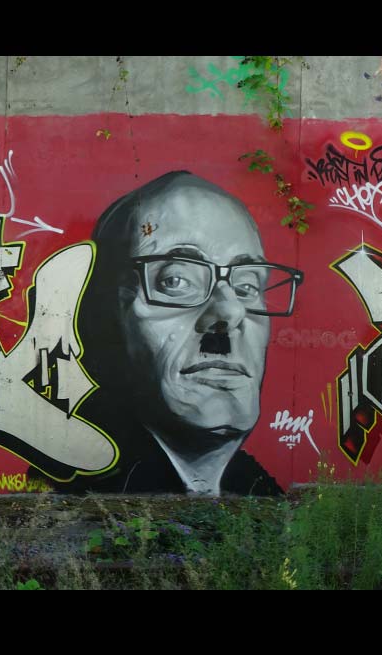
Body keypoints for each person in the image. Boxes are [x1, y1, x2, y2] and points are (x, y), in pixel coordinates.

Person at [72, 170, 292, 495]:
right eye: (175, 281)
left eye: (246, 286)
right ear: (109, 311)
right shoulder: (74, 486)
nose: (231, 312)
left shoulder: (262, 495)